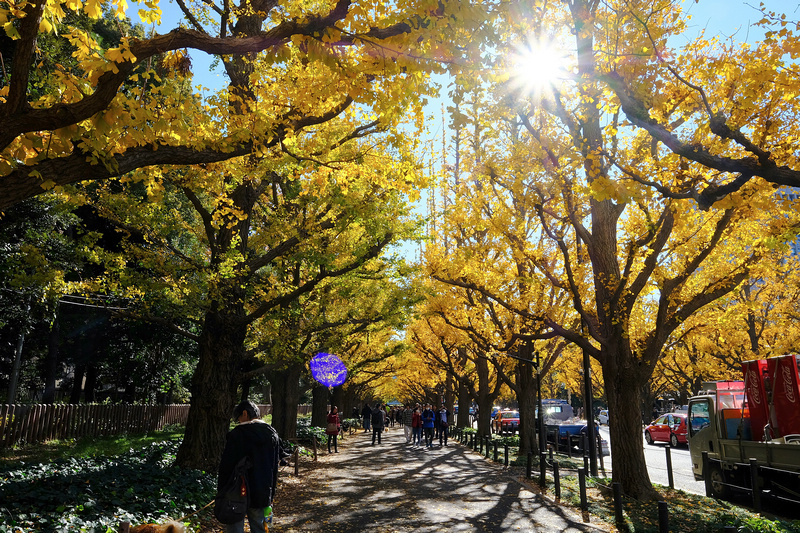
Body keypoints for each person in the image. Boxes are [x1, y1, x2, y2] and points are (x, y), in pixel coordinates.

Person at [217, 400, 280, 533]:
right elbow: (274, 468)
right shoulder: (271, 434)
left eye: (238, 417)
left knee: (235, 527)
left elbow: (226, 467)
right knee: (259, 527)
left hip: (236, 492)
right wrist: (271, 494)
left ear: (244, 414)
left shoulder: (237, 435)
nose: (238, 420)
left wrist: (222, 491)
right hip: (261, 490)